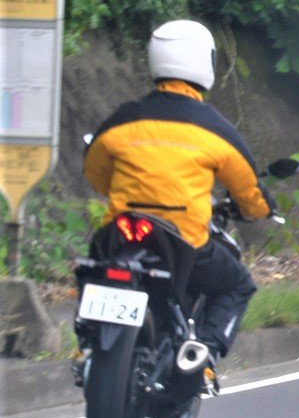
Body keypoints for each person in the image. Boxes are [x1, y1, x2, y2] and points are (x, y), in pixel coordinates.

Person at [82, 20, 273, 368]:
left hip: (120, 233)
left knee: (94, 264)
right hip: (184, 241)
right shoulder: (216, 130)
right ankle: (203, 353)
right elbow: (250, 195)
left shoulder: (123, 119)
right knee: (238, 285)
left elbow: (95, 173)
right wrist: (261, 208)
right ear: (205, 63)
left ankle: (88, 338)